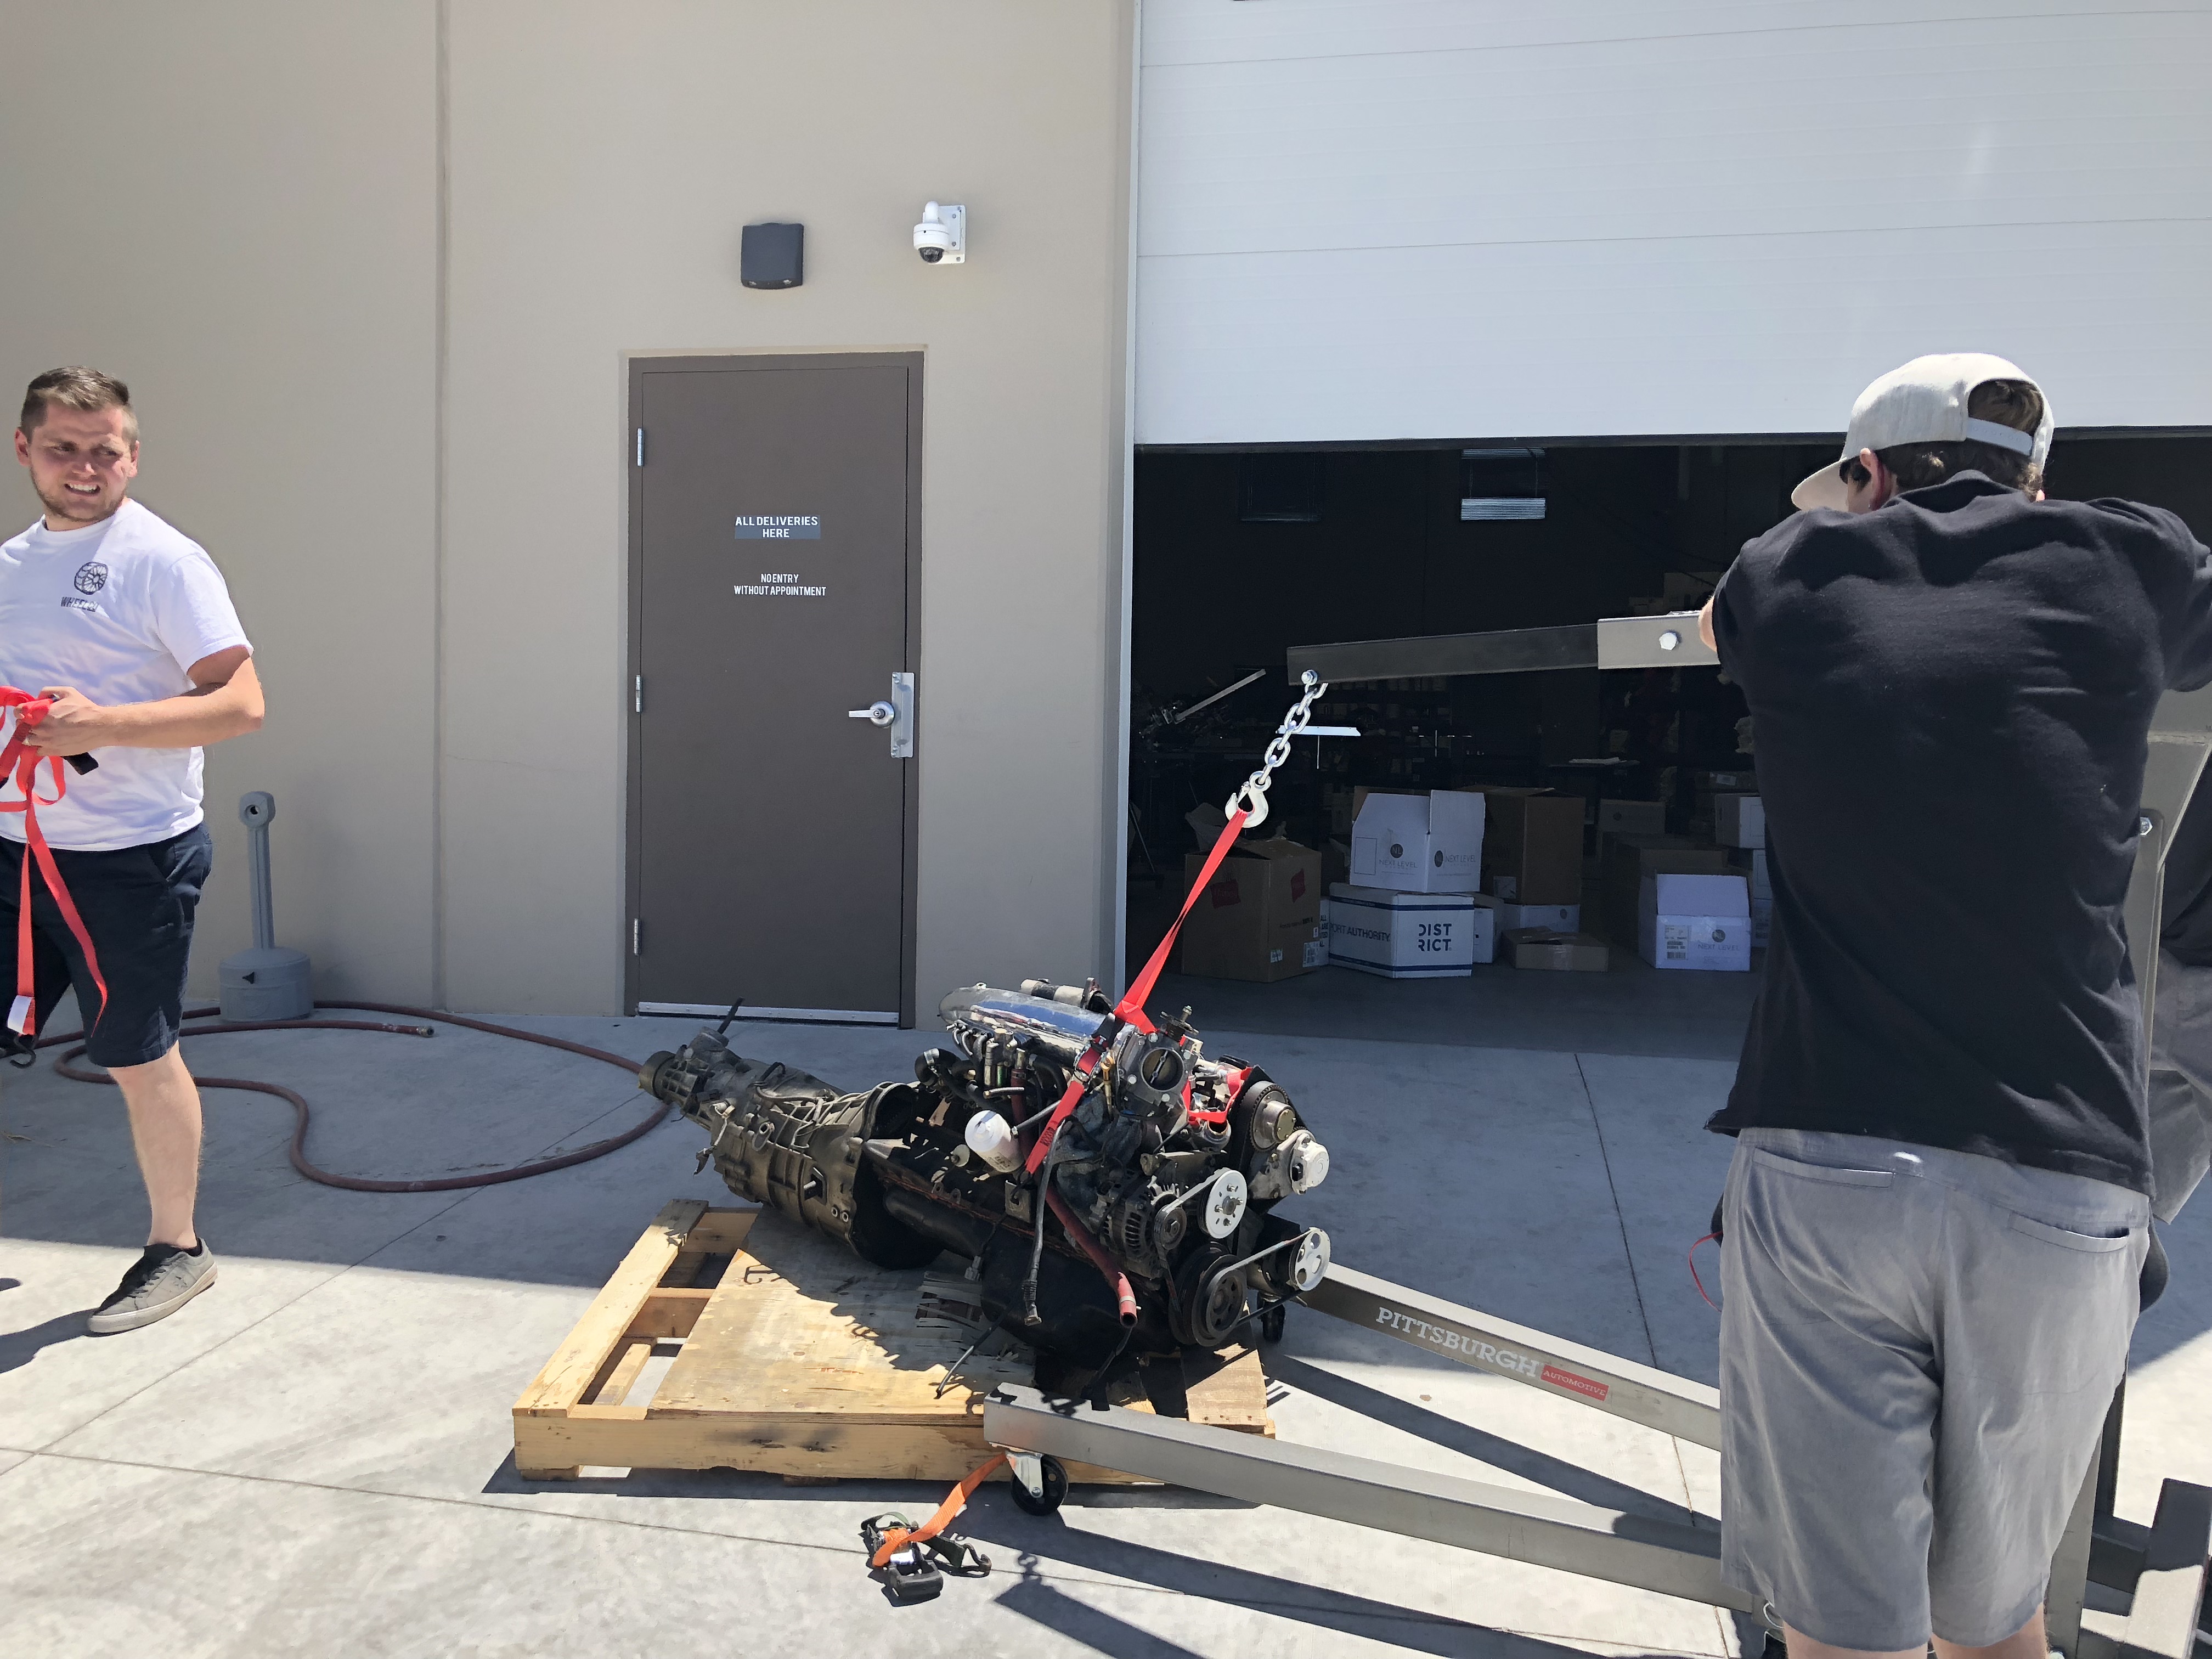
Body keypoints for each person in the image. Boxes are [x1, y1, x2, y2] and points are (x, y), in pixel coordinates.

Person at [1694, 353, 2212, 1659]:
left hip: (1835, 1160)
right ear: (2037, 480)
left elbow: (1712, 626)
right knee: (1995, 1630)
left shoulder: (1788, 573)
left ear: (1868, 475)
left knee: (1842, 1638)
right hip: (2062, 1183)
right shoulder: (2134, 561)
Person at [5, 366, 263, 1333]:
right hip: (15, 851)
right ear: (25, 450)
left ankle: (178, 1250)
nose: (85, 468)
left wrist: (102, 726)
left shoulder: (164, 561)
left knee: (137, 1056)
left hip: (129, 859)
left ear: (133, 456)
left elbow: (241, 704)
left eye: (104, 451)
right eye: (64, 449)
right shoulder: (11, 565)